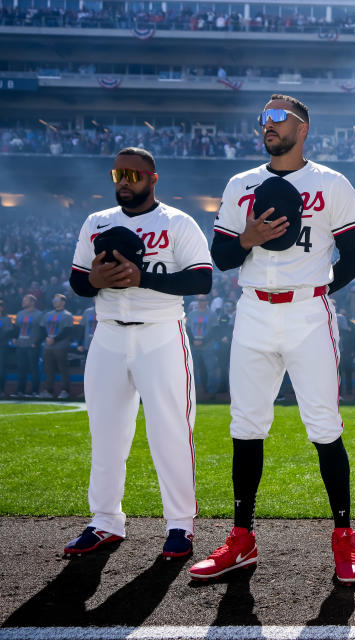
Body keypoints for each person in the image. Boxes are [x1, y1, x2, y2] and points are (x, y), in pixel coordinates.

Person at [191, 94, 355, 584]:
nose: (266, 125)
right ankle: (241, 539)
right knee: (245, 424)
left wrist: (317, 288)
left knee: (324, 426)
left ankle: (344, 537)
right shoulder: (240, 183)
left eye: (276, 117)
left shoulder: (331, 183)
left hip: (309, 311)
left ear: (302, 127)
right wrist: (246, 238)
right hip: (252, 310)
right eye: (262, 118)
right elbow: (221, 257)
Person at [64, 146, 213, 558]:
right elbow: (78, 281)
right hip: (108, 333)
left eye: (133, 175)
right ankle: (105, 520)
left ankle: (180, 525)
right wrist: (94, 278)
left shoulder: (177, 222)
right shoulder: (97, 222)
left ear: (152, 178)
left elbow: (202, 281)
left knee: (171, 432)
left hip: (161, 332)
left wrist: (140, 277)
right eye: (118, 175)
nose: (124, 183)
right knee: (106, 434)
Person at [39, 293, 74, 399]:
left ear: (63, 302)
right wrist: (47, 337)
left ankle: (65, 391)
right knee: (48, 369)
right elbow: (42, 328)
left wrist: (54, 339)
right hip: (48, 346)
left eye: (57, 300)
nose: (54, 302)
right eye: (54, 300)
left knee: (63, 369)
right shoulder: (47, 314)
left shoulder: (67, 315)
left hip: (61, 346)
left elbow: (67, 331)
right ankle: (48, 390)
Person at [186, 293, 220, 398]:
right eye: (199, 300)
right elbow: (188, 330)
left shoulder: (212, 314)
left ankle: (212, 392)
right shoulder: (192, 314)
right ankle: (194, 391)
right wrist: (193, 341)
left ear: (207, 302)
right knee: (193, 370)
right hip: (193, 346)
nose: (201, 302)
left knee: (211, 370)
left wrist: (203, 341)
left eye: (203, 300)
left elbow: (214, 331)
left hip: (207, 347)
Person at [14, 294, 43, 398]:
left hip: (32, 346)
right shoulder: (20, 314)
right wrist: (14, 338)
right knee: (21, 369)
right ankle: (20, 391)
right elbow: (16, 328)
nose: (23, 302)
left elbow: (43, 331)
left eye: (25, 300)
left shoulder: (39, 314)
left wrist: (37, 342)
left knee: (34, 369)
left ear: (32, 302)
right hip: (21, 345)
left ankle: (35, 392)